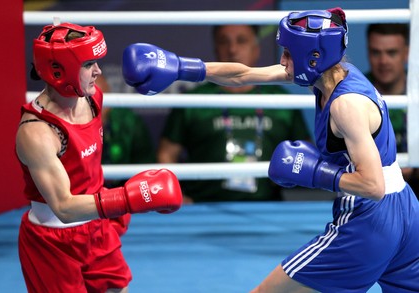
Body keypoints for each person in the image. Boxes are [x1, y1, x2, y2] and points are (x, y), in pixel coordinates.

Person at [122, 7, 419, 292]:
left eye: (289, 53)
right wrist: (182, 68)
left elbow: (372, 185)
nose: (283, 59)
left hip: (370, 219)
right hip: (407, 210)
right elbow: (244, 75)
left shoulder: (345, 105)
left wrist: (317, 173)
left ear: (313, 57)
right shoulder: (335, 73)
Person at [16, 22, 183, 292]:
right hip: (53, 239)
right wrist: (127, 199)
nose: (98, 71)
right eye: (88, 64)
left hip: (96, 224)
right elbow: (64, 207)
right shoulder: (37, 133)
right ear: (61, 71)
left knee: (117, 288)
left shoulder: (93, 98)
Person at [158, 25, 310, 203]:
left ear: (256, 49)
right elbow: (166, 154)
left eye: (241, 41)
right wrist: (178, 198)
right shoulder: (193, 100)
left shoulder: (281, 99)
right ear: (215, 49)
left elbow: (305, 155)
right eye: (224, 42)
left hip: (268, 208)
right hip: (202, 207)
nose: (232, 49)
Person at [365, 23, 419, 198]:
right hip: (367, 190)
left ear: (406, 53)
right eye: (376, 52)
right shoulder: (351, 91)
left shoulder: (417, 90)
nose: (383, 61)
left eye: (392, 52)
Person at [96, 75, 156, 188]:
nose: (93, 109)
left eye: (99, 101)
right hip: (83, 197)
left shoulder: (129, 123)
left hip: (127, 194)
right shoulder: (67, 126)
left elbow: (146, 170)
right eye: (86, 101)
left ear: (109, 105)